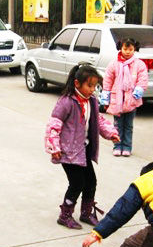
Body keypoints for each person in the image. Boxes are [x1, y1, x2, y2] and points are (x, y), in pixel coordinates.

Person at [45, 64, 120, 229]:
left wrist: (111, 133)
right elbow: (54, 126)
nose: (93, 90)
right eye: (89, 85)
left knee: (91, 181)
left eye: (95, 86)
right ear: (77, 83)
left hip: (83, 150)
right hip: (67, 152)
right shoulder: (66, 102)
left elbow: (98, 120)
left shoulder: (91, 101)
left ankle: (86, 212)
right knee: (77, 183)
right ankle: (65, 215)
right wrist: (54, 147)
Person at [100, 38, 148, 157]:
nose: (127, 52)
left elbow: (143, 79)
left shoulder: (139, 64)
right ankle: (117, 146)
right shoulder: (114, 64)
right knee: (117, 125)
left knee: (128, 125)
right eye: (125, 49)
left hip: (131, 100)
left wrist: (138, 90)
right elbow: (107, 81)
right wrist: (105, 97)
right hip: (117, 100)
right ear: (120, 48)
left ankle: (127, 146)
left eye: (130, 49)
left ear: (134, 49)